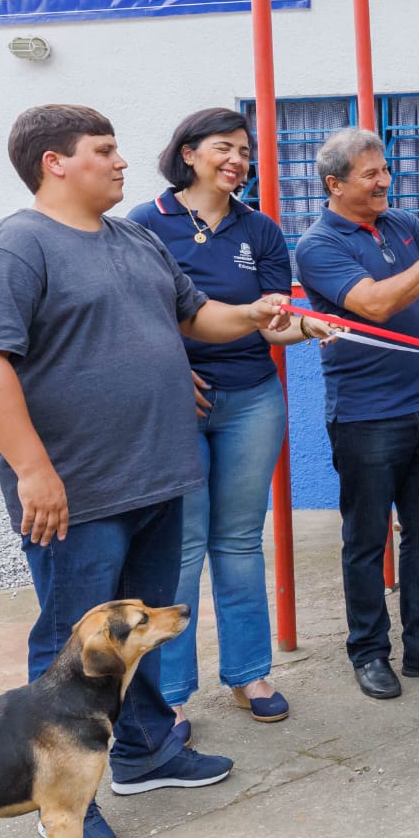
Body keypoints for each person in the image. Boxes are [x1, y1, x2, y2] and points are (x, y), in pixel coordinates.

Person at [0, 104, 292, 838]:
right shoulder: (13, 249)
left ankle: (144, 750)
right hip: (79, 492)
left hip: (157, 480)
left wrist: (263, 314)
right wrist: (34, 470)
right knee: (70, 650)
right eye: (104, 150)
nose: (123, 162)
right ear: (55, 162)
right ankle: (62, 797)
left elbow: (199, 317)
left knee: (132, 641)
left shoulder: (135, 239)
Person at [127, 108, 323, 736]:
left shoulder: (259, 229)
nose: (239, 160)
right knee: (180, 551)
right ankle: (173, 695)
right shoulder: (143, 225)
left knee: (238, 543)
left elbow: (276, 318)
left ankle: (248, 674)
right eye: (225, 148)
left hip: (251, 400)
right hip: (176, 405)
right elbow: (134, 319)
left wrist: (307, 327)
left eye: (245, 151)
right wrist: (167, 372)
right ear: (188, 153)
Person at [294, 128, 419, 700]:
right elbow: (376, 304)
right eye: (371, 174)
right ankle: (369, 653)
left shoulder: (403, 225)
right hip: (365, 417)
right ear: (335, 184)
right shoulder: (318, 245)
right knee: (366, 539)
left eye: (385, 170)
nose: (385, 181)